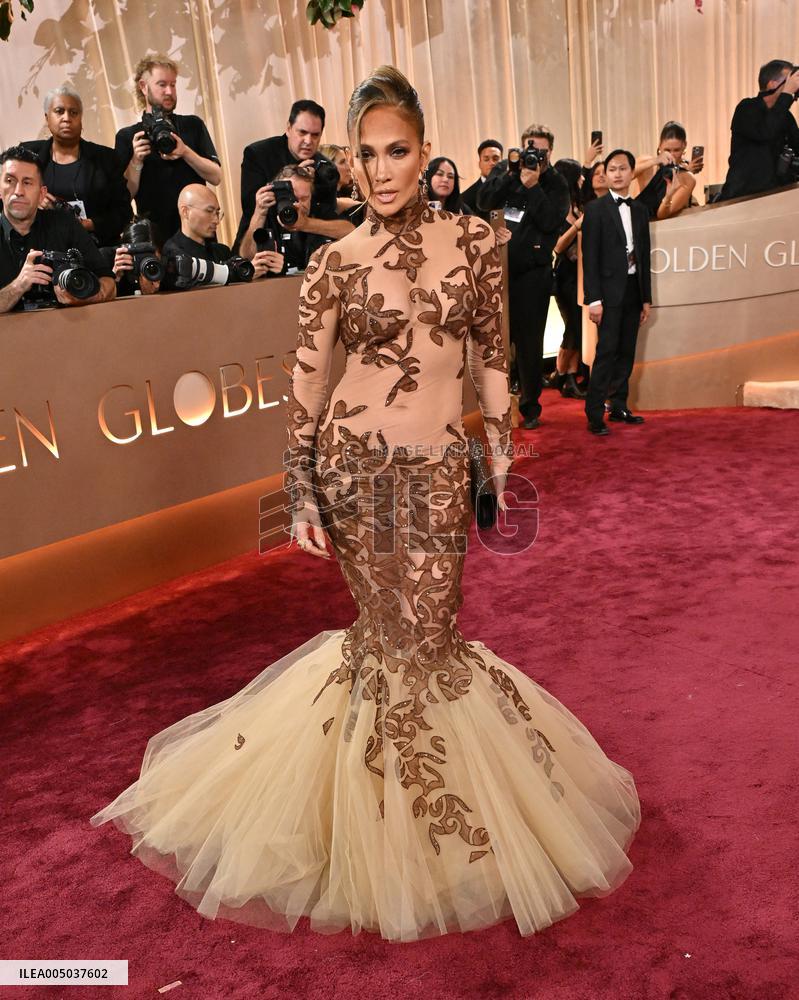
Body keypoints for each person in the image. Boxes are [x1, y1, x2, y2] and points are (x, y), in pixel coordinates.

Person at [91, 64, 640, 943]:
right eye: (367, 155)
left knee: (428, 640)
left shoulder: (475, 242)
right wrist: (299, 489)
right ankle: (400, 839)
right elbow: (306, 386)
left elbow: (496, 352)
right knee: (404, 641)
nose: (383, 170)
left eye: (399, 151)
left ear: (425, 153)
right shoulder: (332, 262)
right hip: (354, 472)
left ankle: (411, 823)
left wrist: (500, 449)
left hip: (435, 471)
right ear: (349, 161)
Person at [478, 124, 570, 429]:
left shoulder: (556, 182)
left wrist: (533, 186)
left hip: (534, 274)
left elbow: (551, 222)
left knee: (530, 343)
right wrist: (512, 176)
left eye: (541, 151)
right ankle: (496, 403)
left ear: (550, 152)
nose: (535, 155)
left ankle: (530, 407)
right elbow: (484, 201)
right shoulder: (506, 170)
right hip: (497, 270)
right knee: (497, 340)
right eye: (530, 147)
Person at [115, 54, 222, 245]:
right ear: (143, 86)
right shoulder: (128, 137)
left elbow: (216, 176)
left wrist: (186, 152)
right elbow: (124, 197)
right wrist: (136, 162)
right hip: (155, 239)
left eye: (173, 85)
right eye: (162, 84)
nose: (169, 91)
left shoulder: (192, 125)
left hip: (198, 237)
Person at [582, 149, 652, 436]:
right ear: (605, 174)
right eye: (612, 169)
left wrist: (646, 297)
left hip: (634, 292)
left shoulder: (640, 210)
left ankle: (619, 404)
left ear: (631, 173)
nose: (618, 174)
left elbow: (644, 255)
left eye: (623, 168)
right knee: (606, 352)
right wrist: (593, 300)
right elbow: (590, 258)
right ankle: (595, 412)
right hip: (608, 295)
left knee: (626, 352)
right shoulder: (595, 210)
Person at [0, 145, 115, 313]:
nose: (18, 191)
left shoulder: (65, 225)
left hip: (65, 331)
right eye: (10, 181)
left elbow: (109, 283)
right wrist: (19, 286)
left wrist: (81, 297)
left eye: (27, 182)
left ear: (41, 193)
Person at [234, 100, 353, 249]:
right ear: (289, 128)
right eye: (302, 132)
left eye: (315, 135)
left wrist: (307, 223)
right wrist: (292, 176)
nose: (308, 141)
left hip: (304, 248)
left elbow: (330, 215)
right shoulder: (259, 154)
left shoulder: (326, 169)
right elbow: (251, 208)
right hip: (260, 243)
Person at [22, 85, 132, 246]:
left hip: (97, 248)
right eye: (59, 111)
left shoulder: (106, 158)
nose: (67, 118)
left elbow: (123, 212)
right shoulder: (29, 156)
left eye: (74, 112)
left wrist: (87, 225)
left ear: (81, 118)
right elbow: (10, 198)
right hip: (44, 249)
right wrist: (34, 202)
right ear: (47, 118)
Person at [161, 184, 274, 286]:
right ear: (185, 212)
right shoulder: (171, 255)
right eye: (209, 211)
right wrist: (238, 274)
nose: (216, 220)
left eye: (217, 213)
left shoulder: (222, 251)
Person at [718, 59, 799, 201]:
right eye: (789, 80)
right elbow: (765, 131)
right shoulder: (747, 108)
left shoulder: (785, 116)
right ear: (772, 84)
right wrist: (786, 94)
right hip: (742, 198)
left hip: (777, 196)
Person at [238, 165, 335, 274]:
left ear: (311, 197)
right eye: (292, 197)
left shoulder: (318, 211)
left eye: (304, 198)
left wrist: (306, 224)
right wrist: (259, 213)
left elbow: (349, 230)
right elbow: (246, 256)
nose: (298, 204)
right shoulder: (267, 214)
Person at [550, 158, 587, 399]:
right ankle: (564, 376)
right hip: (565, 277)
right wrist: (577, 227)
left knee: (577, 328)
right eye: (580, 174)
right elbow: (558, 247)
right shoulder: (557, 207)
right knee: (571, 327)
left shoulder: (578, 204)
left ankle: (563, 376)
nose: (583, 178)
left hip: (581, 275)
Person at [633, 121, 701, 220]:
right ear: (660, 145)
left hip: (661, 230)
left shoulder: (688, 179)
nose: (671, 155)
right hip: (633, 224)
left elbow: (662, 215)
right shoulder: (647, 163)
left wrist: (668, 196)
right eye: (667, 150)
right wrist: (655, 161)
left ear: (684, 145)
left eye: (676, 150)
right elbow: (625, 176)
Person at [460, 139, 503, 219]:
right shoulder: (466, 198)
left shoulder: (513, 189)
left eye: (496, 159)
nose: (492, 163)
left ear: (503, 162)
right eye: (486, 159)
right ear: (479, 164)